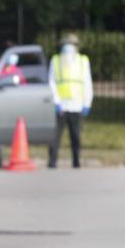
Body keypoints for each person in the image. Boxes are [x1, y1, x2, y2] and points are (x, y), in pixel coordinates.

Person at [48, 33, 93, 168]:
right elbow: (51, 83)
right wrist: (56, 102)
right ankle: (52, 161)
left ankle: (76, 161)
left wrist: (87, 103)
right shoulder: (55, 61)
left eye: (72, 45)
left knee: (76, 136)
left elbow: (87, 83)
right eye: (66, 45)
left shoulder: (83, 61)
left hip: (77, 105)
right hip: (61, 105)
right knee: (55, 136)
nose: (69, 48)